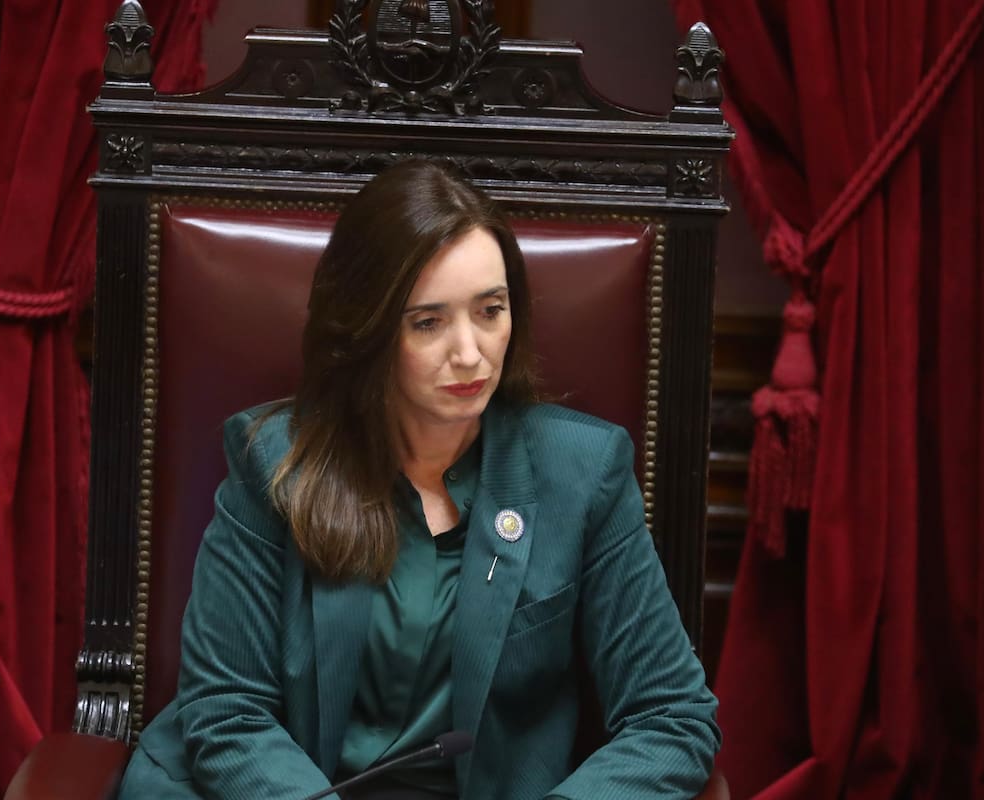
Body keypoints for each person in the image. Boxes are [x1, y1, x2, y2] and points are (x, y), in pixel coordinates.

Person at [118, 160, 720, 800]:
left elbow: (671, 717)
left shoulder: (583, 473)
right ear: (369, 329)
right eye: (428, 322)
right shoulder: (273, 465)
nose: (470, 352)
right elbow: (226, 709)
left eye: (490, 311)